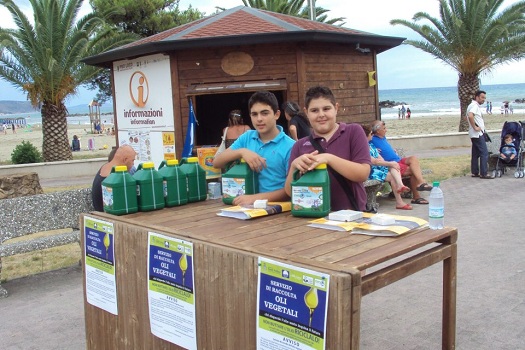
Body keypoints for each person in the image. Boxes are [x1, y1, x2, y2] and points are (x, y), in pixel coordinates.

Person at [285, 86, 371, 211]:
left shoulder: (353, 131)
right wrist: (294, 166)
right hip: (312, 217)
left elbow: (363, 174)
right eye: (314, 110)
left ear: (336, 108)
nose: (321, 115)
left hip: (351, 215)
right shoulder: (299, 145)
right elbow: (289, 192)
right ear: (306, 112)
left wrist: (328, 158)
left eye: (326, 109)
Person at [213, 91, 295, 205]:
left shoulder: (291, 146)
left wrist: (255, 198)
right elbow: (216, 163)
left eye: (264, 113)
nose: (259, 119)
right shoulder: (246, 137)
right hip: (243, 205)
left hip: (276, 209)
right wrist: (242, 152)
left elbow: (291, 190)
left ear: (276, 114)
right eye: (254, 114)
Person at [370, 120, 433, 204]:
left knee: (413, 159)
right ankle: (416, 197)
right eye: (384, 128)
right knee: (413, 171)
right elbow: (364, 142)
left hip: (398, 159)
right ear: (377, 131)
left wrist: (393, 150)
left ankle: (421, 183)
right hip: (392, 165)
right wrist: (374, 149)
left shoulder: (383, 137)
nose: (386, 130)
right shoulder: (372, 139)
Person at [361, 124, 411, 210]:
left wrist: (390, 163)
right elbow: (374, 161)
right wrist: (390, 163)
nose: (372, 135)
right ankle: (399, 200)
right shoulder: (362, 147)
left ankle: (400, 185)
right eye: (370, 134)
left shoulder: (371, 145)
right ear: (366, 136)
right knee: (392, 171)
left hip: (378, 167)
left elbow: (380, 159)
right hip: (370, 170)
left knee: (394, 167)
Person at [91, 145, 137, 211]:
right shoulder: (116, 178)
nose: (133, 164)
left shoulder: (105, 167)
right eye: (132, 160)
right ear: (125, 160)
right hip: (109, 217)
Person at [466, 90, 493, 179]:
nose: (483, 100)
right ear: (477, 97)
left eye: (484, 98)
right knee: (484, 153)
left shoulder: (471, 105)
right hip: (477, 134)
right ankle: (484, 173)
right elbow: (470, 116)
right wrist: (475, 127)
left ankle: (475, 172)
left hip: (475, 134)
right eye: (482, 97)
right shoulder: (474, 106)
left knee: (475, 153)